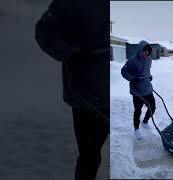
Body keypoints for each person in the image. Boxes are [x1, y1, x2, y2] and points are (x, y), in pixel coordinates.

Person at [34, 0, 109, 179]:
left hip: (112, 92)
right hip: (86, 94)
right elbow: (45, 32)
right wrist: (73, 53)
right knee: (90, 156)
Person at [121, 40, 156, 140]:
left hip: (148, 88)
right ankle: (136, 129)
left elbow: (147, 71)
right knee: (138, 111)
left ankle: (145, 122)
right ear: (140, 50)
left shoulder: (149, 60)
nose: (146, 53)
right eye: (144, 51)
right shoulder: (132, 61)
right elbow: (123, 71)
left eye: (148, 52)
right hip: (137, 91)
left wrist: (149, 76)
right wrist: (132, 78)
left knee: (152, 107)